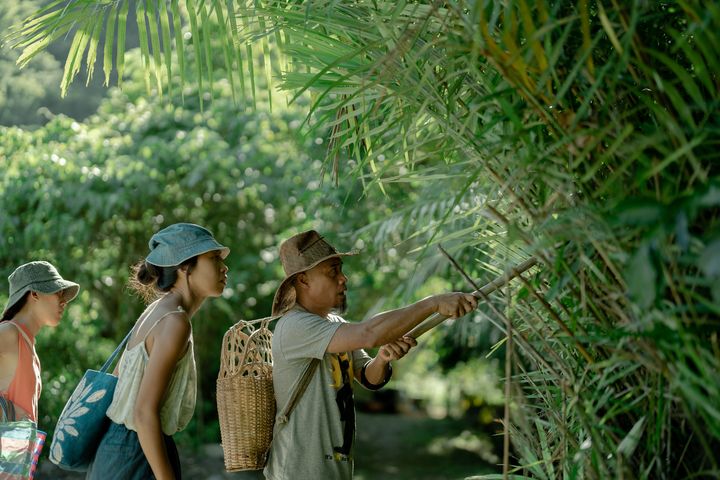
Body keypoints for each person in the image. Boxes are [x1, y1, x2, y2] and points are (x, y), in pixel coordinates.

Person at [264, 230, 477, 480]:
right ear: (303, 280)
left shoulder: (333, 323)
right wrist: (433, 304)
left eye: (341, 270)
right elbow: (369, 333)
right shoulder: (294, 326)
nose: (343, 279)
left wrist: (383, 358)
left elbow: (368, 377)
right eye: (333, 271)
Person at [86, 223, 229, 480]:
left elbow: (119, 385)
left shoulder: (156, 311)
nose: (223, 266)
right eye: (213, 257)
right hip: (135, 453)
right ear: (184, 265)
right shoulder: (175, 322)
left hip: (117, 449)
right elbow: (143, 413)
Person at [0, 261, 80, 422]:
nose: (64, 302)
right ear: (35, 294)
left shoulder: (28, 345)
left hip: (17, 448)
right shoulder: (9, 333)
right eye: (58, 293)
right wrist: (10, 416)